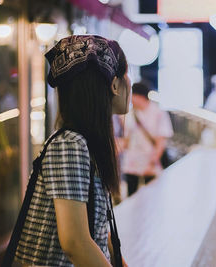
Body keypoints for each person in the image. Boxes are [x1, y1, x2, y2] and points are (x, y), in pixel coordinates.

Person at [14, 35, 130, 267]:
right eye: (126, 75)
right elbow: (75, 243)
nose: (130, 82)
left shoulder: (86, 144)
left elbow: (95, 233)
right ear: (114, 85)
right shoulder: (70, 144)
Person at [120, 82, 173, 196]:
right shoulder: (130, 114)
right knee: (131, 195)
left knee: (151, 196)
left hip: (150, 162)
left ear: (139, 96)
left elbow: (161, 140)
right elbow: (127, 138)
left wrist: (153, 162)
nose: (130, 99)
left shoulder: (158, 113)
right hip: (132, 163)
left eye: (131, 95)